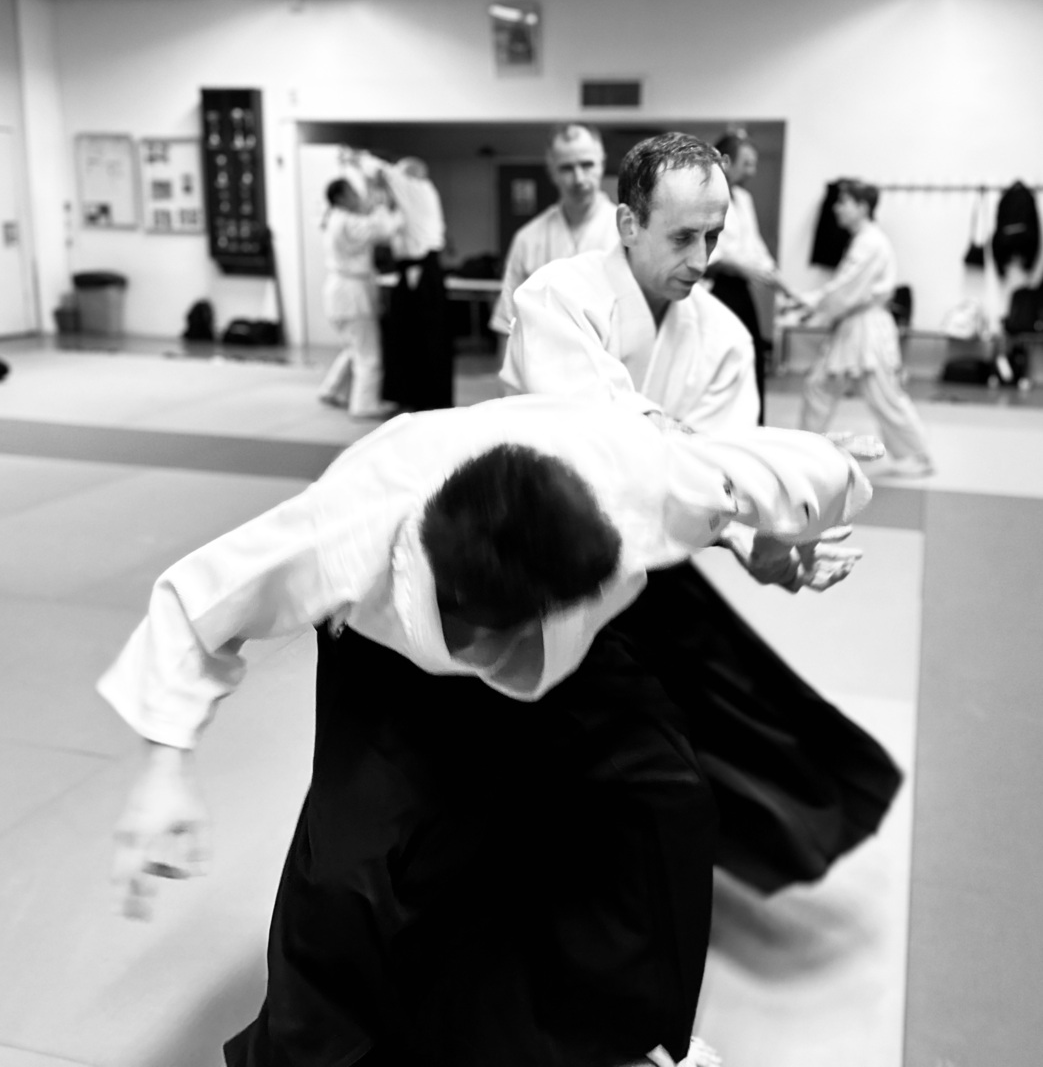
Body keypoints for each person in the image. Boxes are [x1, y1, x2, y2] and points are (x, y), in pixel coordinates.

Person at [100, 395, 874, 1067]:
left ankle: (630, 1037)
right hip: (386, 653)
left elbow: (813, 472)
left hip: (570, 631)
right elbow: (194, 606)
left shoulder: (640, 476)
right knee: (352, 870)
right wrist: (164, 768)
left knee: (664, 798)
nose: (504, 656)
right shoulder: (346, 529)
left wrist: (770, 543)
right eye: (495, 635)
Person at [503, 132, 903, 894]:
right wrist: (769, 466)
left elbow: (709, 483)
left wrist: (753, 535)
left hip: (640, 558)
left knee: (729, 720)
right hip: (532, 558)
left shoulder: (721, 337)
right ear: (628, 223)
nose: (702, 256)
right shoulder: (556, 296)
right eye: (682, 236)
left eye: (713, 236)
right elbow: (603, 436)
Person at [794, 178, 935, 478]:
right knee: (819, 386)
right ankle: (807, 451)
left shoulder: (871, 242)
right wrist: (811, 305)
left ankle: (918, 455)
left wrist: (809, 302)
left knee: (884, 395)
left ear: (862, 206)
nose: (836, 208)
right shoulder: (861, 239)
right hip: (853, 325)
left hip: (869, 328)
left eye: (843, 202)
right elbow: (844, 289)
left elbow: (846, 287)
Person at [489, 123, 619, 344]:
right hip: (544, 362)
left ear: (602, 164)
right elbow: (508, 325)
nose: (579, 179)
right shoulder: (528, 239)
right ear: (551, 172)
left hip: (612, 361)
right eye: (566, 168)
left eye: (587, 165)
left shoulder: (628, 236)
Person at [359, 151, 455, 411]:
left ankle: (430, 400)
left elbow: (382, 171)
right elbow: (385, 230)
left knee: (428, 337)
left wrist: (357, 157)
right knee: (403, 335)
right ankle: (408, 396)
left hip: (425, 273)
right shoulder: (408, 206)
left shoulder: (419, 190)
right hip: (409, 271)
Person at [706, 132, 784, 422]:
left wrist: (777, 278)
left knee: (751, 352)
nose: (752, 171)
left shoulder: (744, 199)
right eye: (747, 163)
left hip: (738, 286)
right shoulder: (704, 192)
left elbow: (754, 246)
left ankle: (754, 424)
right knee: (720, 361)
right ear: (725, 162)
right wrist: (738, 266)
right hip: (713, 286)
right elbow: (708, 250)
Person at [316, 176, 402, 418]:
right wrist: (384, 205)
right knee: (368, 354)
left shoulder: (334, 219)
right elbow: (383, 230)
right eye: (352, 193)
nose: (357, 197)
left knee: (354, 347)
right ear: (341, 198)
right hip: (351, 294)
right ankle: (364, 405)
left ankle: (331, 389)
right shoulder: (348, 221)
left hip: (339, 291)